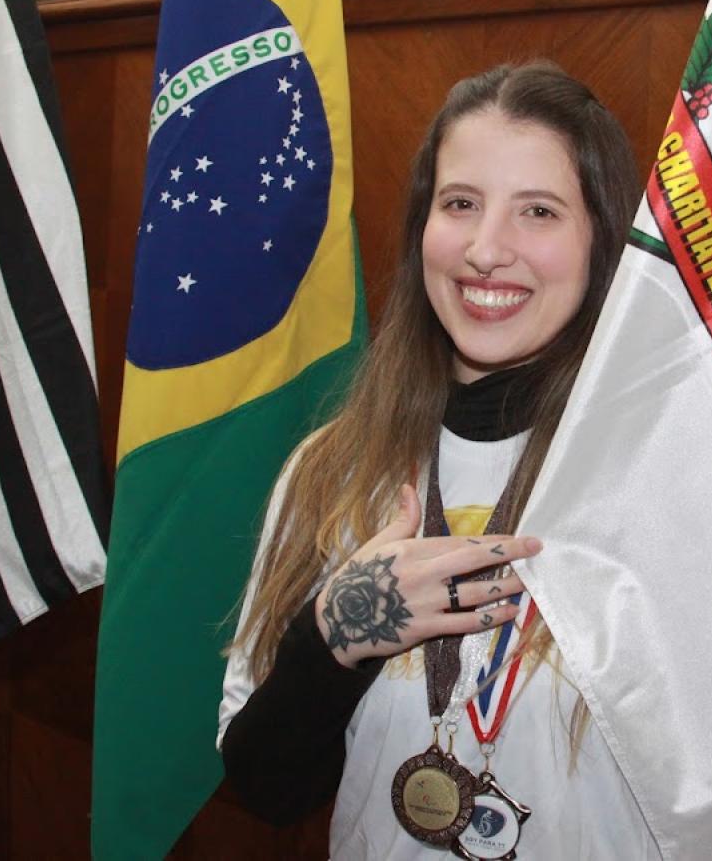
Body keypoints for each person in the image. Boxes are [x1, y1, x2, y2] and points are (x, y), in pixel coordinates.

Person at [217, 61, 660, 858]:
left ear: (601, 242)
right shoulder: (332, 469)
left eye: (539, 211)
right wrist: (335, 634)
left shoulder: (662, 477)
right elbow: (266, 788)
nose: (488, 249)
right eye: (461, 204)